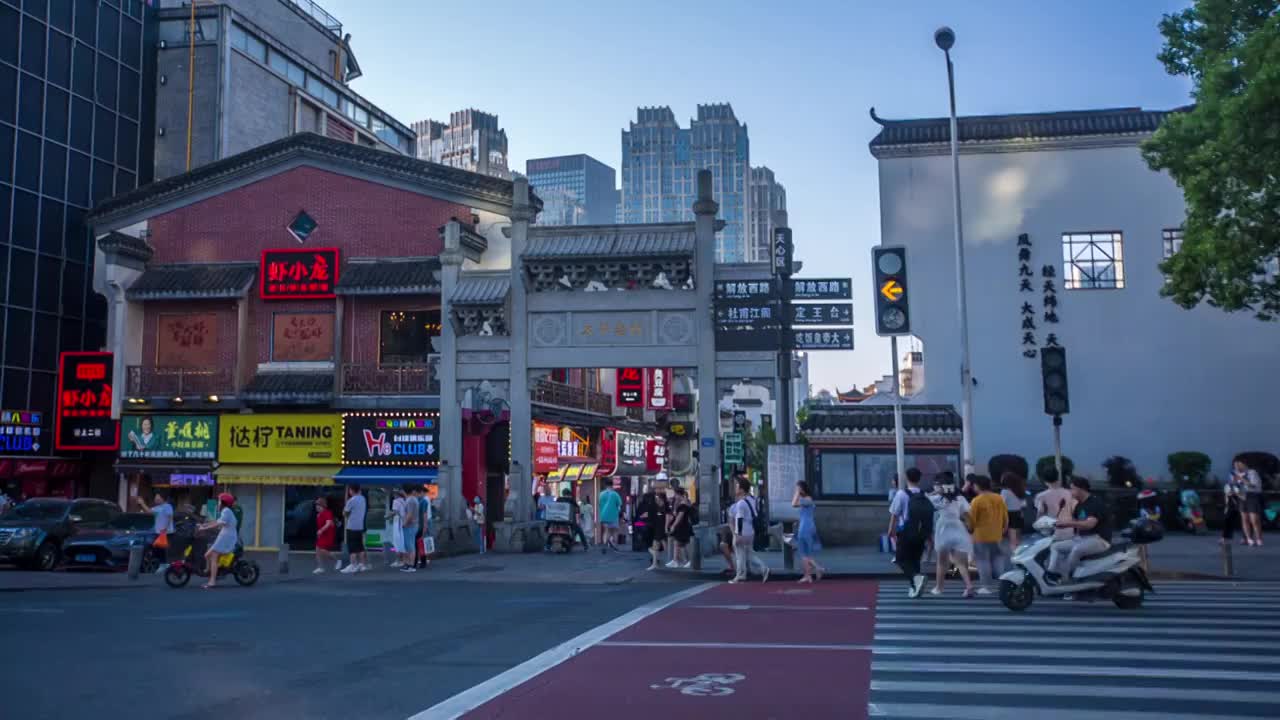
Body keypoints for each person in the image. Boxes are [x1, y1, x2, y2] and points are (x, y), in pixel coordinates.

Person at [1046, 478, 1112, 583]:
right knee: (1055, 546)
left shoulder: (1095, 502)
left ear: (1080, 489)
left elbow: (1089, 524)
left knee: (1077, 549)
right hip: (1082, 538)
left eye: (1072, 489)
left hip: (1100, 540)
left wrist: (1068, 524)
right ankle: (1051, 573)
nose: (1070, 492)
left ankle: (1067, 580)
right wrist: (1058, 524)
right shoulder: (1079, 505)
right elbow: (1077, 523)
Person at [930, 476, 974, 597]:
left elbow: (924, 499)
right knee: (961, 563)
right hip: (958, 529)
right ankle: (969, 586)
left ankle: (939, 588)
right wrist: (970, 528)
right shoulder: (960, 498)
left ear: (940, 486)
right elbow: (966, 516)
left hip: (943, 530)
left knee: (941, 562)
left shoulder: (936, 499)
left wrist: (937, 492)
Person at [891, 468, 931, 597]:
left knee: (900, 559)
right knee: (915, 560)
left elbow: (895, 514)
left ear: (906, 478)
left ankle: (916, 578)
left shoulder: (901, 494)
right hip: (921, 532)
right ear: (919, 479)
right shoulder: (925, 494)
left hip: (906, 531)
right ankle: (915, 588)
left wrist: (891, 530)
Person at [969, 475, 1008, 594]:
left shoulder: (977, 500)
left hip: (981, 535)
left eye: (974, 485)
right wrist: (1003, 529)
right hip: (997, 534)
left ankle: (987, 586)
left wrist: (969, 531)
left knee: (982, 560)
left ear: (978, 486)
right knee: (998, 558)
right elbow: (1005, 517)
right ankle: (1001, 583)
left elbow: (971, 520)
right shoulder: (999, 498)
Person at [729, 478, 769, 584]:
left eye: (737, 486)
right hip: (751, 531)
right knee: (749, 554)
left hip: (742, 532)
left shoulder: (741, 503)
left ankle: (740, 575)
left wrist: (738, 534)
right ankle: (763, 568)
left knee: (740, 555)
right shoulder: (752, 499)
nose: (736, 488)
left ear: (742, 489)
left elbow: (739, 519)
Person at [200, 493, 238, 589]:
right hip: (224, 535)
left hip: (226, 537)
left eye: (219, 501)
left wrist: (205, 529)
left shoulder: (226, 511)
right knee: (207, 555)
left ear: (223, 502)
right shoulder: (226, 511)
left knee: (213, 557)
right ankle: (211, 572)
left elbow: (219, 523)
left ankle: (212, 581)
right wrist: (204, 525)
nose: (218, 502)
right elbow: (217, 521)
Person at [792, 481, 825, 583]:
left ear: (802, 488)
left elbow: (793, 504)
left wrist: (797, 492)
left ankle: (818, 569)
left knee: (803, 553)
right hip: (807, 527)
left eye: (798, 488)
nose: (796, 490)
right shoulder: (806, 500)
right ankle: (808, 575)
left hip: (805, 528)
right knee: (806, 553)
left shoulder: (807, 499)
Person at [135, 491, 176, 573]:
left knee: (161, 548)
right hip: (158, 532)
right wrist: (142, 503)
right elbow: (148, 511)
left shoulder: (167, 506)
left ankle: (164, 564)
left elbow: (170, 517)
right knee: (156, 548)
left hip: (167, 532)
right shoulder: (157, 508)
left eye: (157, 497)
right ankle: (163, 564)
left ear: (162, 498)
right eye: (155, 498)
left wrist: (165, 529)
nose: (155, 499)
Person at [1035, 469, 1075, 541]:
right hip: (1070, 532)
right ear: (1057, 478)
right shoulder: (1069, 493)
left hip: (1053, 534)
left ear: (1044, 480)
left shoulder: (1041, 496)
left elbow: (1040, 514)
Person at [1234, 457, 1265, 546]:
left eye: (1238, 464)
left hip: (1252, 496)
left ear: (1244, 464)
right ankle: (1248, 538)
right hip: (1242, 496)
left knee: (1254, 519)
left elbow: (1253, 486)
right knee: (1244, 519)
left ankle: (1258, 538)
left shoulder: (1252, 473)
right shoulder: (1236, 474)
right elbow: (1233, 485)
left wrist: (1241, 478)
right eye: (1235, 465)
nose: (1236, 467)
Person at [340, 485, 368, 573]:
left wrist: (347, 514)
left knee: (352, 547)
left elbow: (345, 513)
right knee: (360, 546)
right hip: (360, 526)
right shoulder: (363, 498)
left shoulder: (351, 500)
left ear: (351, 490)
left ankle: (353, 565)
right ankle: (363, 565)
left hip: (351, 526)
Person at [667, 487, 694, 568]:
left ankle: (686, 561)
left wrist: (673, 525)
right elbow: (676, 514)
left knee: (683, 544)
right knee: (678, 543)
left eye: (675, 494)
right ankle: (678, 560)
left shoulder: (683, 504)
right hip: (682, 526)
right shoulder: (682, 503)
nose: (674, 496)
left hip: (683, 526)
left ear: (679, 494)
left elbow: (680, 516)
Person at [313, 497, 341, 573]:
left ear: (323, 506)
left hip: (328, 534)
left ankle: (337, 560)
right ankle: (320, 567)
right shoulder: (318, 515)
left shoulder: (327, 512)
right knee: (317, 550)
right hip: (322, 535)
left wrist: (321, 530)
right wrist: (319, 532)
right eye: (316, 505)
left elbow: (328, 523)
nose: (317, 507)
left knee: (323, 550)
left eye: (318, 505)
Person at [1000, 472, 1027, 550]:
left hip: (1010, 515)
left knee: (1012, 539)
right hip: (1019, 514)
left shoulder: (1005, 492)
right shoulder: (1020, 491)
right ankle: (1021, 553)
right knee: (1018, 538)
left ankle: (1014, 556)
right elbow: (1024, 505)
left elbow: (1002, 504)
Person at [398, 486, 418, 573]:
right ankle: (409, 564)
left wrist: (404, 524)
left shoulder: (410, 500)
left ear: (404, 491)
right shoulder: (413, 499)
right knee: (409, 545)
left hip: (410, 525)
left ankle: (411, 565)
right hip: (412, 525)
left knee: (410, 546)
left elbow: (409, 514)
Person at [598, 483, 622, 553]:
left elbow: (599, 504)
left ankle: (604, 545)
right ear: (612, 486)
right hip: (613, 516)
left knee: (606, 531)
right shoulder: (615, 494)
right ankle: (615, 546)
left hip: (603, 516)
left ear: (606, 486)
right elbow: (619, 505)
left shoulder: (601, 494)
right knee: (614, 531)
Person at [1222, 475, 1246, 546]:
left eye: (1234, 478)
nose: (1233, 480)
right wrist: (1226, 506)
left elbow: (1244, 497)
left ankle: (1245, 538)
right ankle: (1225, 537)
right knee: (1227, 521)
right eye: (1231, 478)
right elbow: (1226, 496)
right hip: (1231, 505)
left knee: (1243, 522)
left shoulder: (1241, 486)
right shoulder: (1227, 486)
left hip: (1241, 505)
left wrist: (1237, 494)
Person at [413, 486, 432, 568]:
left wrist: (425, 526)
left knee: (418, 545)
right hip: (418, 525)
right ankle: (420, 561)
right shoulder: (419, 500)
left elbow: (425, 515)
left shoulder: (423, 501)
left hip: (419, 526)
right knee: (419, 544)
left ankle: (417, 562)